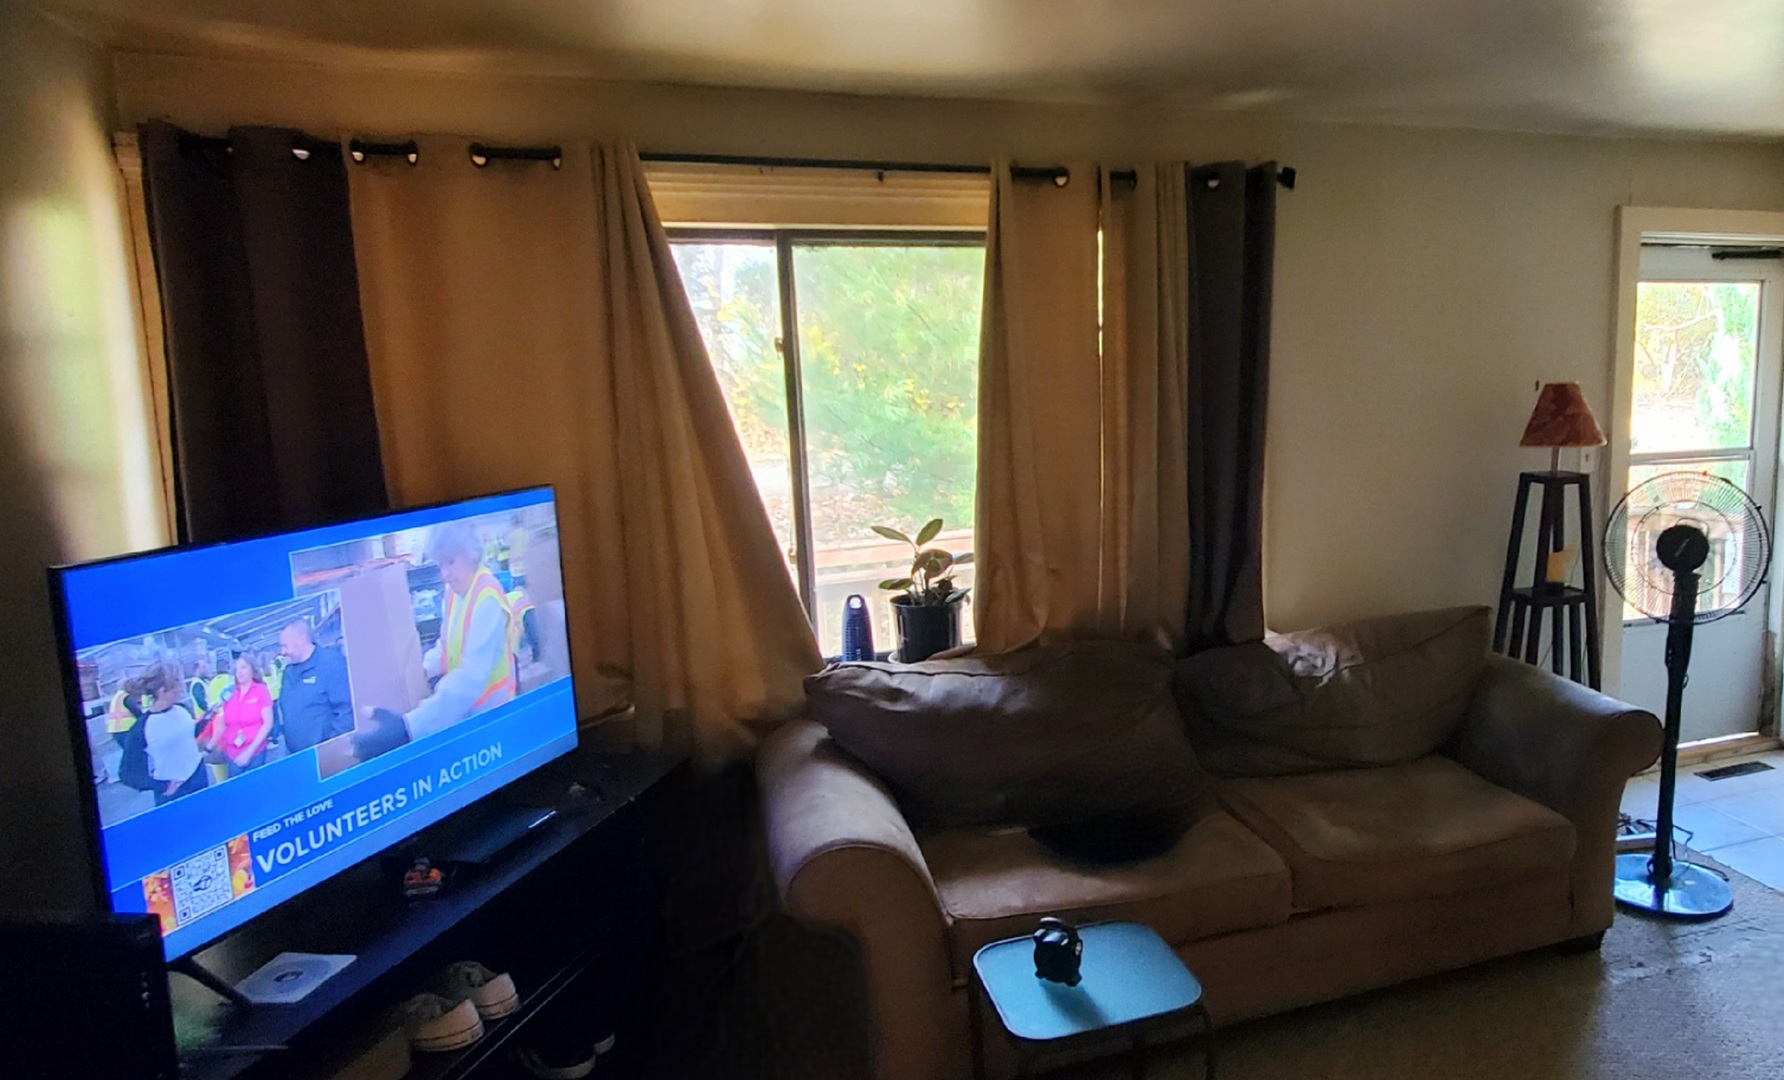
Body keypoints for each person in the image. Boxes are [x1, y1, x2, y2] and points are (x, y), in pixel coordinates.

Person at [401, 522, 517, 741]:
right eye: (439, 564)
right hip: (466, 715)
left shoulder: (487, 598)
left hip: (494, 719)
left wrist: (410, 725)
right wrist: (423, 670)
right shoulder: (453, 593)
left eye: (451, 562)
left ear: (471, 554)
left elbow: (472, 677)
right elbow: (446, 646)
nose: (445, 573)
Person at [276, 618, 355, 752]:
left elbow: (345, 711)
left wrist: (330, 749)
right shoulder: (288, 672)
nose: (282, 652)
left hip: (323, 756)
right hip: (295, 754)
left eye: (285, 646)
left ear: (301, 640)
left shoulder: (332, 664)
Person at [138, 663, 208, 805]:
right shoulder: (143, 727)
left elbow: (188, 734)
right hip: (174, 790)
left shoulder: (181, 709)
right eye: (177, 684)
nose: (181, 689)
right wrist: (161, 786)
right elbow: (128, 773)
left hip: (198, 775)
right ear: (162, 691)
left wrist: (208, 719)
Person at [203, 654, 274, 776]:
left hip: (255, 752)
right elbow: (222, 724)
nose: (239, 672)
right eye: (236, 670)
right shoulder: (229, 693)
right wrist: (208, 748)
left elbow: (268, 723)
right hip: (232, 753)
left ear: (253, 669)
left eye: (243, 668)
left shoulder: (261, 691)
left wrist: (249, 752)